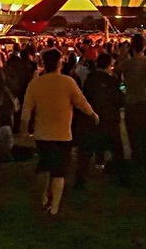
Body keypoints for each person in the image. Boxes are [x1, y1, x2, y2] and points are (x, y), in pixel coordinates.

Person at [21, 48, 98, 216]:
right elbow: (81, 102)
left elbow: (26, 109)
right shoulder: (67, 82)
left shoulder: (36, 83)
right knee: (59, 171)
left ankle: (43, 197)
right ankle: (54, 206)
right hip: (63, 134)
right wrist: (92, 114)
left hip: (42, 133)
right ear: (59, 63)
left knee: (44, 166)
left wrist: (24, 129)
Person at [79, 53, 124, 188]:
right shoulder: (113, 81)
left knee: (87, 151)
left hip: (93, 119)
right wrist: (122, 84)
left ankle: (80, 179)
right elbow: (122, 96)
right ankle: (121, 178)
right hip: (110, 120)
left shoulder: (89, 80)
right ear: (109, 66)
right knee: (117, 150)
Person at [117, 34, 146, 175]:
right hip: (144, 100)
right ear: (144, 46)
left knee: (133, 135)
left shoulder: (126, 63)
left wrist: (123, 88)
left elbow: (115, 72)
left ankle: (136, 161)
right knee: (144, 133)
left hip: (131, 101)